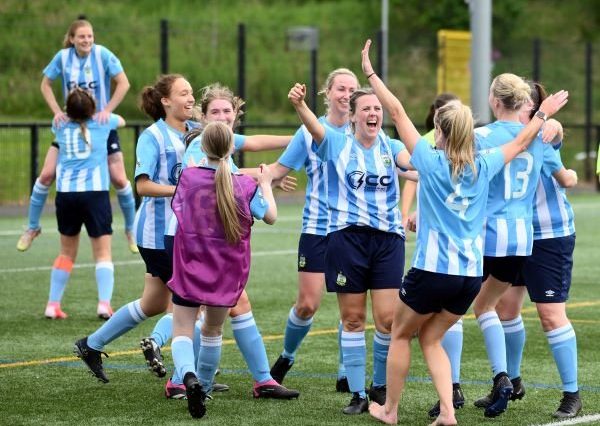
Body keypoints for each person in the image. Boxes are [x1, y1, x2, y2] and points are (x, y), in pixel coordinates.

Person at [359, 39, 569, 426]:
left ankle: (389, 411)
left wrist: (370, 73)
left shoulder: (429, 160)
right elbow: (522, 140)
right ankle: (448, 413)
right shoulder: (484, 164)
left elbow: (396, 110)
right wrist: (543, 113)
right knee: (432, 338)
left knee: (400, 334)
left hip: (432, 271)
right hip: (470, 276)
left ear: (438, 130)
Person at [141, 82, 299, 401]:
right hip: (197, 243)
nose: (223, 116)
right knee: (216, 313)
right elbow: (223, 183)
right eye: (215, 111)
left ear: (235, 115)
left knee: (215, 310)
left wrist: (298, 140)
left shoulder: (217, 147)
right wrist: (265, 181)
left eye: (228, 111)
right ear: (204, 116)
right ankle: (214, 379)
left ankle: (207, 378)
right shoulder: (203, 145)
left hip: (204, 243)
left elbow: (249, 149)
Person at [287, 63, 417, 413]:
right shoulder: (338, 145)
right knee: (354, 319)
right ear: (355, 116)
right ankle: (358, 394)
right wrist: (300, 106)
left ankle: (378, 387)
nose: (373, 113)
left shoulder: (390, 145)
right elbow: (316, 131)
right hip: (347, 239)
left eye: (377, 109)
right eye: (367, 109)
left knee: (388, 319)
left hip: (388, 240)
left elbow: (417, 164)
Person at [73, 74, 195, 382]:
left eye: (192, 92)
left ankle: (91, 345)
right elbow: (143, 186)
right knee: (193, 300)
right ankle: (172, 363)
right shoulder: (152, 136)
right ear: (166, 101)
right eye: (184, 93)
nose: (192, 98)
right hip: (156, 234)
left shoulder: (196, 132)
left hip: (180, 233)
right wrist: (182, 190)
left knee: (153, 302)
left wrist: (269, 169)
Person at [473, 81, 581, 419]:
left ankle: (572, 393)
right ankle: (513, 380)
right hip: (514, 236)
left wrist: (556, 127)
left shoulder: (543, 134)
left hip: (548, 234)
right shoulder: (510, 135)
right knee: (505, 310)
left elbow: (562, 164)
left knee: (550, 315)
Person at [169, 121, 284, 419]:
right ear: (232, 148)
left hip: (190, 263)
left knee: (182, 329)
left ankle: (188, 377)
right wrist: (266, 184)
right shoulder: (245, 185)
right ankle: (203, 388)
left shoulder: (188, 177)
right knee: (212, 330)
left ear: (202, 147)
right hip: (226, 271)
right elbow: (270, 216)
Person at [267, 68, 359, 393]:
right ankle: (287, 356)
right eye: (341, 88)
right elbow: (277, 170)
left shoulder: (363, 133)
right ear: (327, 92)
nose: (347, 94)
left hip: (352, 230)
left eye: (352, 89)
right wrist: (262, 181)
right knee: (307, 304)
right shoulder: (307, 132)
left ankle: (346, 371)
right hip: (317, 229)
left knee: (352, 307)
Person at [17, 18, 136, 254]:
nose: (87, 40)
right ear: (72, 39)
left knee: (120, 179)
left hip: (99, 127)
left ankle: (131, 229)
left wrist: (107, 110)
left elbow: (123, 83)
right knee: (47, 175)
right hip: (71, 126)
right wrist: (56, 112)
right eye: (82, 36)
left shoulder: (102, 55)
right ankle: (32, 227)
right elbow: (45, 85)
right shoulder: (62, 58)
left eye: (90, 36)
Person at [44, 88, 125, 320]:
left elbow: (63, 118)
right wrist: (104, 112)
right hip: (95, 193)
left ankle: (52, 304)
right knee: (102, 253)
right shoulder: (104, 122)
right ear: (92, 109)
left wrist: (62, 113)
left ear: (67, 110)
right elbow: (122, 120)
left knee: (66, 252)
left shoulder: (58, 124)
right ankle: (104, 304)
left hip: (66, 194)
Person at [400, 93, 458, 231]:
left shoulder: (467, 143)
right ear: (439, 112)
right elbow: (413, 179)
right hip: (436, 213)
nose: (459, 112)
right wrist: (405, 215)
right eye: (454, 108)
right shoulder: (426, 141)